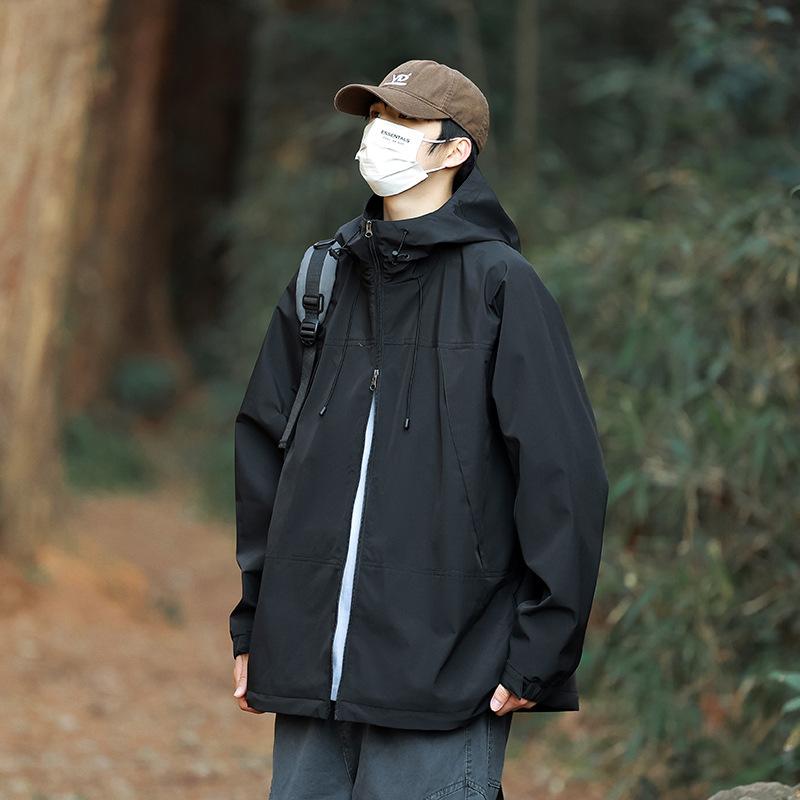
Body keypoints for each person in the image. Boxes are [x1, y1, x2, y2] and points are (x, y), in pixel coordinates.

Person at [230, 58, 609, 800]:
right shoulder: (321, 279)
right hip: (310, 671)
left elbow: (563, 478)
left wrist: (541, 648)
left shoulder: (502, 285)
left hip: (447, 674)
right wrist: (255, 623)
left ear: (454, 149)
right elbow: (264, 458)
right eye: (376, 118)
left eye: (404, 121)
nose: (380, 134)